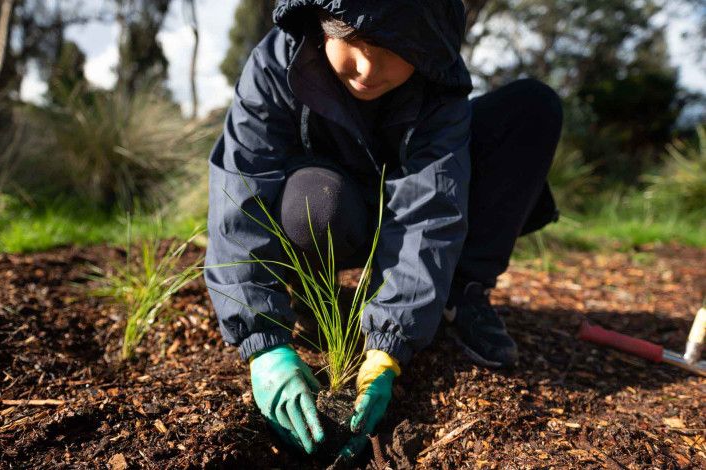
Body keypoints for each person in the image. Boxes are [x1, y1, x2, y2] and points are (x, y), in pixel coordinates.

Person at [204, 0, 563, 458]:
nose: (369, 69)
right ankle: (317, 293)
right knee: (317, 202)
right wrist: (261, 339)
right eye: (353, 41)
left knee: (532, 106)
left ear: (428, 46)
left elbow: (429, 209)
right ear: (321, 23)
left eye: (395, 48)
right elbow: (241, 193)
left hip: (399, 207)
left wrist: (389, 345)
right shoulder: (277, 63)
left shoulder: (439, 87)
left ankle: (460, 291)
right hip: (331, 208)